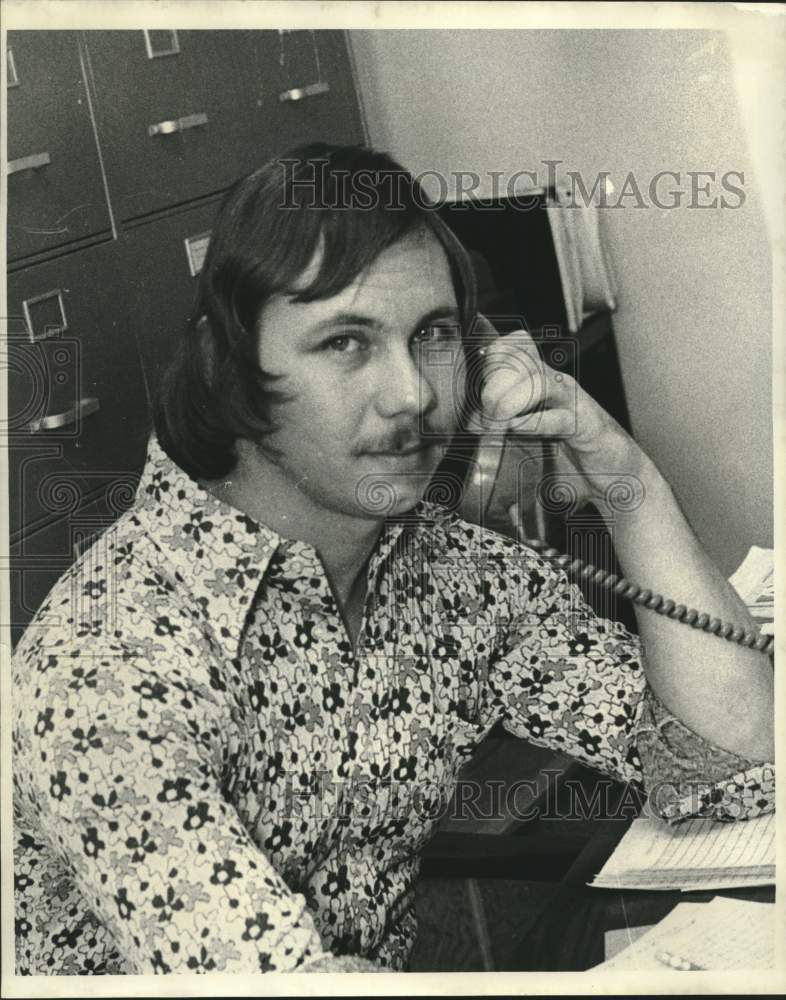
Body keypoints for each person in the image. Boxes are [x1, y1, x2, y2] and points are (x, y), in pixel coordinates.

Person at [12, 143, 774, 975]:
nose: (411, 393)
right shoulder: (107, 666)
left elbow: (728, 763)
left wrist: (621, 473)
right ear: (228, 371)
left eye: (434, 335)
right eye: (346, 342)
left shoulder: (450, 572)